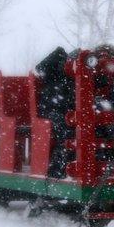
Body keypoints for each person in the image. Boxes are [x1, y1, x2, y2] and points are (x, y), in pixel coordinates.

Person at [35, 47, 75, 178]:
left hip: (67, 113)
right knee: (66, 132)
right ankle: (59, 168)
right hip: (51, 112)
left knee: (74, 129)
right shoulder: (53, 73)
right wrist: (61, 54)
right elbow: (40, 68)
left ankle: (65, 165)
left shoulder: (73, 78)